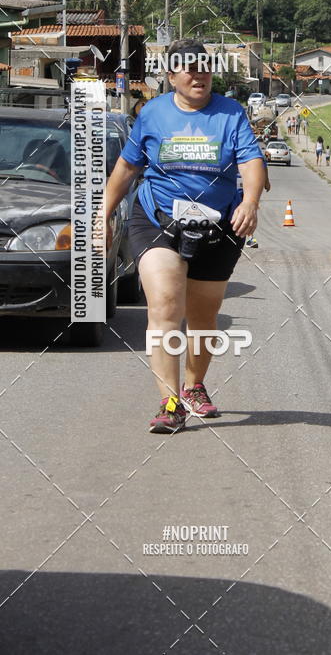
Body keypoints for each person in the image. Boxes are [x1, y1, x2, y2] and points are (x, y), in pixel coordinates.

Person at [102, 39, 265, 433]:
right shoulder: (153, 114)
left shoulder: (230, 113)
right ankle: (170, 402)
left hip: (220, 225)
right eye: (188, 68)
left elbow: (252, 162)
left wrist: (250, 203)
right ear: (171, 76)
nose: (199, 74)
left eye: (204, 67)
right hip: (157, 219)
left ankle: (194, 386)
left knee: (204, 316)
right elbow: (126, 168)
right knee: (165, 305)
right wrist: (102, 214)